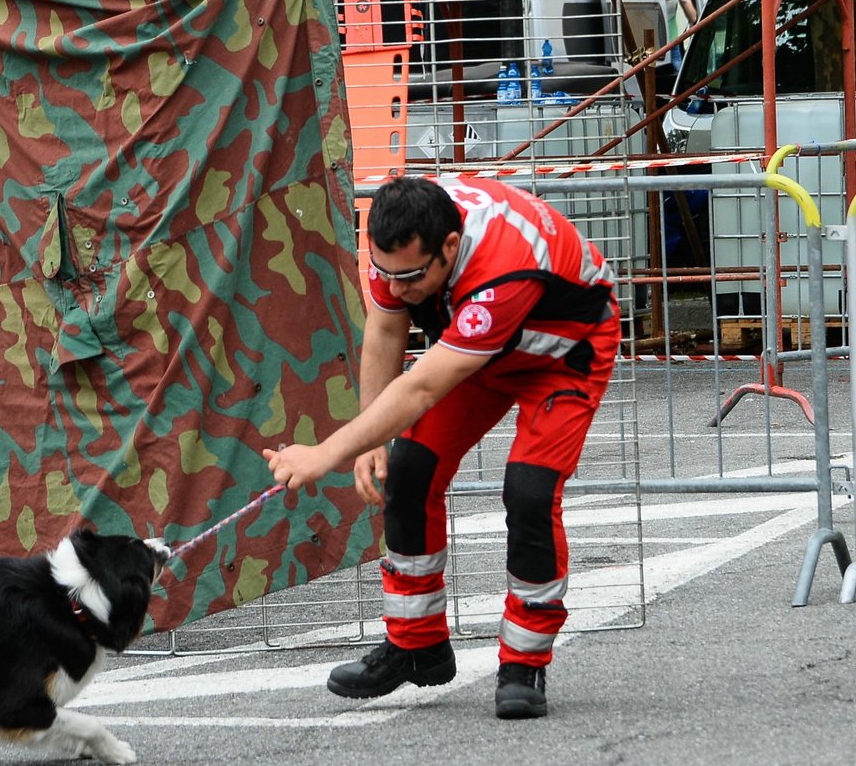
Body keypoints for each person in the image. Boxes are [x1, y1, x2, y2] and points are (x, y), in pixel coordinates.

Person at [264, 175, 620, 719]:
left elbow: (423, 384)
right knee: (409, 470)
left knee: (528, 492)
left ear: (449, 248)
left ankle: (524, 661)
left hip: (562, 354)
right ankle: (417, 645)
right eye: (384, 274)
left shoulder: (504, 264)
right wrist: (369, 439)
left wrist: (323, 454)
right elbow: (384, 333)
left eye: (409, 278)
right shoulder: (398, 244)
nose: (396, 287)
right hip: (480, 349)